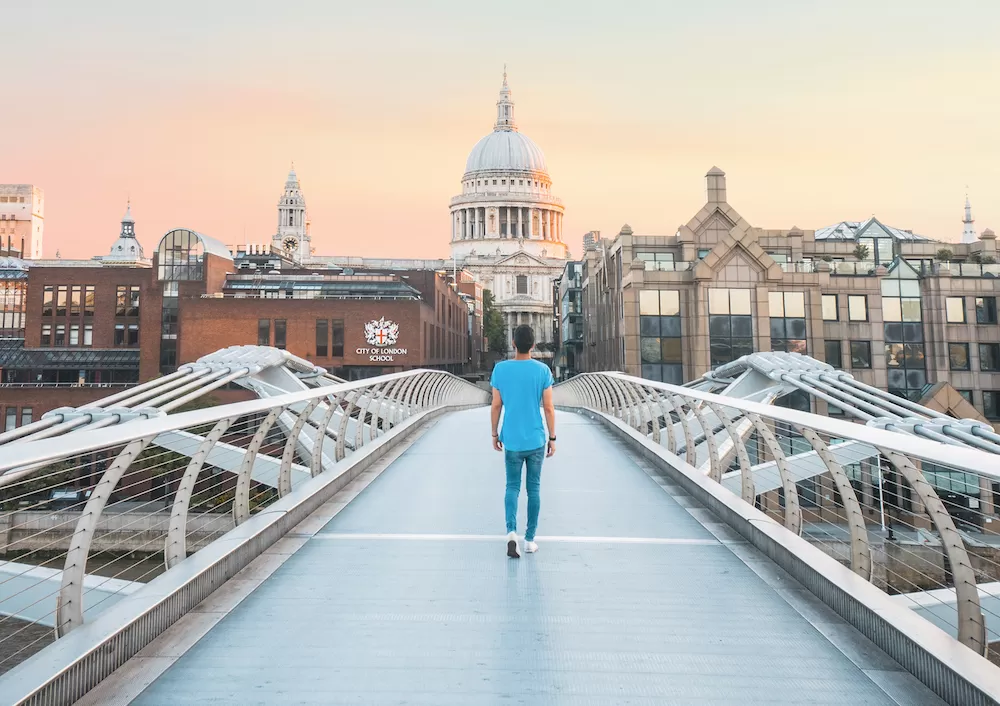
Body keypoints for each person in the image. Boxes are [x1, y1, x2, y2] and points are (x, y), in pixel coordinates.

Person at [490, 325, 556, 558]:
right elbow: (548, 407)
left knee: (512, 486)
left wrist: (494, 434)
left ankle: (511, 534)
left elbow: (496, 405)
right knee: (534, 489)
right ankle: (529, 540)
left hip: (512, 439)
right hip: (536, 438)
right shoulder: (543, 371)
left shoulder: (500, 369)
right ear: (534, 345)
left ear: (513, 343)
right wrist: (553, 437)